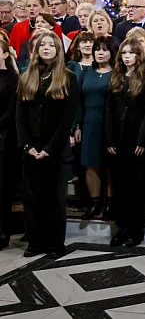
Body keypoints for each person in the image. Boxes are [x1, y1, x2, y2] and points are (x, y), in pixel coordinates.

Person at [16, 31, 79, 258]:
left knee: (55, 198)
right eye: (42, 45)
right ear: (35, 49)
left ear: (57, 49)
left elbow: (66, 119)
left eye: (51, 45)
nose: (46, 48)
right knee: (32, 199)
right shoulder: (26, 77)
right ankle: (35, 242)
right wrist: (27, 146)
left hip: (56, 148)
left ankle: (54, 244)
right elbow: (20, 116)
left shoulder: (68, 77)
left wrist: (50, 148)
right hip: (31, 148)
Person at [105, 39, 145, 247]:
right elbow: (109, 110)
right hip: (118, 138)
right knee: (120, 185)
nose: (127, 56)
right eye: (124, 53)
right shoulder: (116, 78)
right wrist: (108, 138)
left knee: (137, 185)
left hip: (137, 139)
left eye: (131, 53)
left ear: (138, 56)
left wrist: (142, 139)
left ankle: (137, 229)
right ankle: (122, 228)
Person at [75, 36, 116, 220]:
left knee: (109, 165)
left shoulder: (117, 73)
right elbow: (78, 101)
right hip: (89, 123)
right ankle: (94, 203)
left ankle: (110, 203)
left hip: (109, 124)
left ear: (112, 52)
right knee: (91, 164)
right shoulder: (87, 72)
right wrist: (77, 125)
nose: (100, 52)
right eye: (97, 49)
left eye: (104, 49)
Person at [0, 38, 18, 249]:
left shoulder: (13, 78)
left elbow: (11, 111)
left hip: (4, 138)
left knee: (3, 187)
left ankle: (3, 230)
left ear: (6, 54)